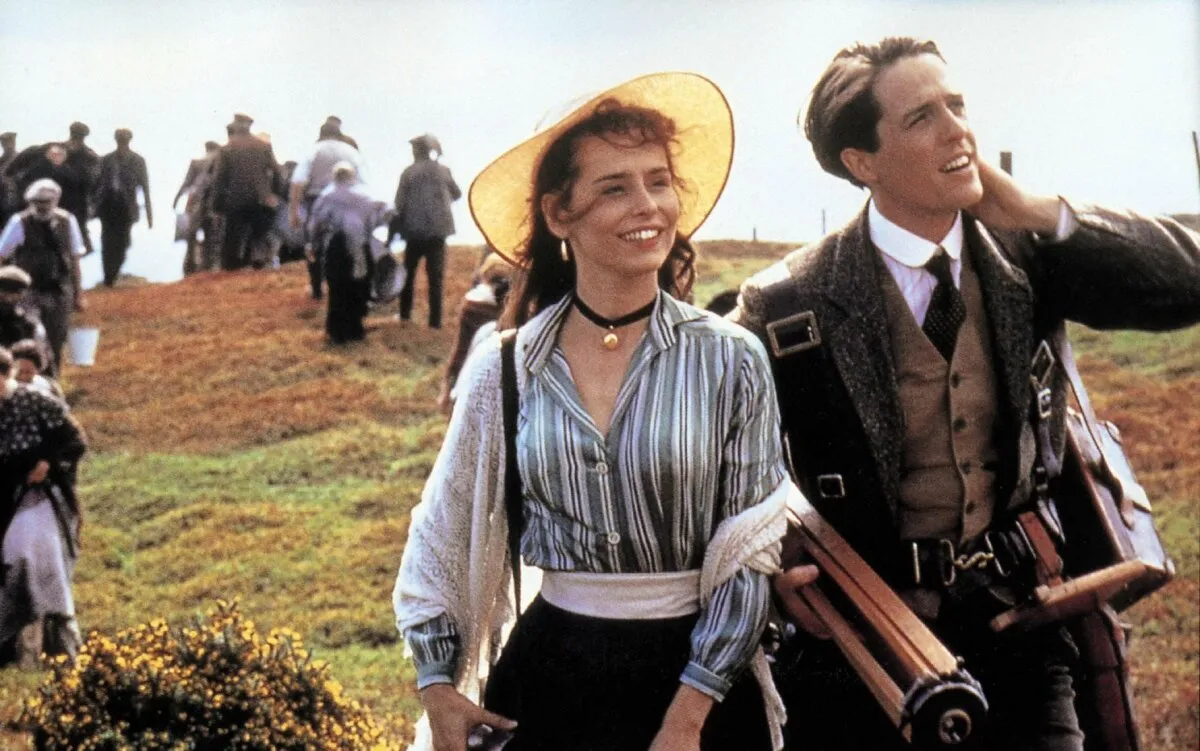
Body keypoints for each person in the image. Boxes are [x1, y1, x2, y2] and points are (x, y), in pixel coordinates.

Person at [730, 37, 1200, 751]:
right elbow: (720, 464)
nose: (958, 131)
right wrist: (771, 571)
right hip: (867, 648)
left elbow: (1187, 280)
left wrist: (1040, 211)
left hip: (1026, 624)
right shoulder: (789, 302)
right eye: (922, 118)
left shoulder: (1025, 254)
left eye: (957, 106)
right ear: (862, 162)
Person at [395, 72, 791, 751]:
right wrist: (437, 682)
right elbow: (442, 527)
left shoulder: (732, 359)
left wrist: (687, 719)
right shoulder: (506, 366)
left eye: (658, 182)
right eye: (614, 188)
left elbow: (749, 552)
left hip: (701, 691)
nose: (648, 205)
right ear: (559, 214)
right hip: (550, 682)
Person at [0, 346, 87, 669]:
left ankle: (59, 644)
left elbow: (75, 441)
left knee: (28, 554)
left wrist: (48, 463)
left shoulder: (34, 400)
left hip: (41, 494)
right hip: (6, 496)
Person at [0, 179, 87, 375]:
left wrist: (79, 294)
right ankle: (25, 376)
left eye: (46, 202)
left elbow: (75, 260)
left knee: (57, 337)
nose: (42, 207)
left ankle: (52, 379)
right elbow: (1, 254)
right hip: (29, 292)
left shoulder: (67, 221)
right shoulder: (19, 222)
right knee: (29, 335)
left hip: (60, 290)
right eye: (37, 202)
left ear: (56, 200)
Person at [306, 161, 390, 344]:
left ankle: (336, 331)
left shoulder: (327, 196)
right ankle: (355, 328)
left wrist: (313, 244)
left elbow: (316, 224)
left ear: (335, 177)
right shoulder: (365, 195)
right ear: (352, 177)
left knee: (337, 288)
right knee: (358, 286)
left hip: (337, 246)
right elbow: (384, 213)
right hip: (362, 245)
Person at [391, 133, 461, 329]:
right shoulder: (443, 170)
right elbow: (457, 193)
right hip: (438, 231)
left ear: (416, 151)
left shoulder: (408, 173)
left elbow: (399, 204)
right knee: (435, 278)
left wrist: (395, 230)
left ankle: (404, 315)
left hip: (413, 232)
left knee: (408, 275)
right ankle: (435, 322)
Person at [290, 121, 364, 299]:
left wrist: (294, 211)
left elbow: (298, 181)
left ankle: (316, 289)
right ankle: (345, 286)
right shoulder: (351, 152)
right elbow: (363, 181)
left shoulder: (314, 151)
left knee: (314, 244)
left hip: (317, 201)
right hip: (345, 200)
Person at [435, 252, 512, 416]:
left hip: (469, 383)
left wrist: (447, 388)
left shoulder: (472, 305)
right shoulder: (514, 311)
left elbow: (460, 351)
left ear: (485, 275)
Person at [210, 119, 283, 270]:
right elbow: (277, 173)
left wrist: (216, 206)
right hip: (261, 200)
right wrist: (275, 194)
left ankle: (231, 269)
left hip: (235, 200)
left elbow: (219, 180)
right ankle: (258, 263)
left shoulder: (227, 148)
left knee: (232, 240)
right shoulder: (263, 146)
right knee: (259, 236)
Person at [94, 128, 152, 287]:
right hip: (108, 206)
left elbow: (145, 187)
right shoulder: (106, 160)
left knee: (124, 241)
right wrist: (94, 206)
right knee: (107, 240)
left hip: (127, 207)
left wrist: (149, 215)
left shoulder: (138, 160)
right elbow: (97, 184)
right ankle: (109, 276)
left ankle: (114, 271)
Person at [174, 140, 222, 275]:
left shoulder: (196, 163)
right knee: (210, 235)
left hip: (195, 204)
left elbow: (186, 183)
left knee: (191, 236)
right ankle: (206, 266)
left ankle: (190, 266)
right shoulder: (218, 164)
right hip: (212, 205)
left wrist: (176, 199)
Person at [0, 267, 50, 359]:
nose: (8, 297)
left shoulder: (29, 325)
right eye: (4, 290)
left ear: (21, 295)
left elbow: (43, 359)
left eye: (14, 291)